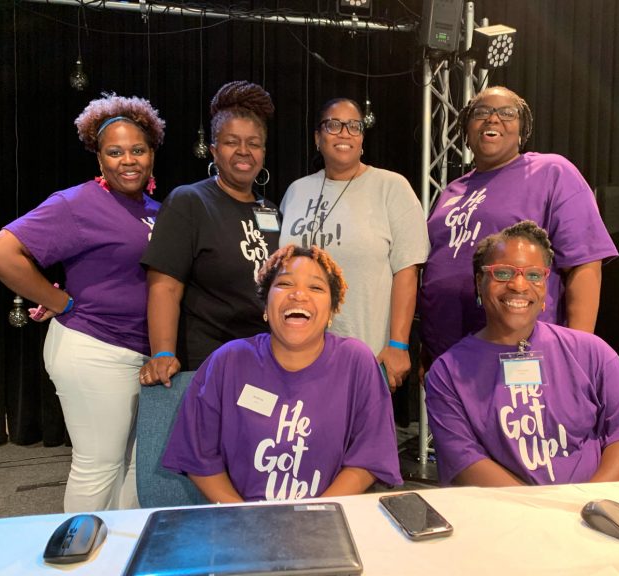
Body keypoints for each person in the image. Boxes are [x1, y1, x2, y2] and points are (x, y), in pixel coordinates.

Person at [0, 94, 166, 511]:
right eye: (114, 152)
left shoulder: (155, 209)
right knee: (99, 464)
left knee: (137, 466)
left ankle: (118, 552)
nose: (128, 160)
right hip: (94, 349)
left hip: (143, 354)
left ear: (152, 152)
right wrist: (60, 301)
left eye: (137, 150)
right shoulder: (76, 202)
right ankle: (79, 560)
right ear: (99, 159)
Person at [425, 221, 619, 487]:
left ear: (546, 286)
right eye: (503, 273)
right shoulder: (447, 373)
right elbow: (465, 462)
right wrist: (545, 513)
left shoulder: (592, 353)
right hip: (506, 520)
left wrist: (587, 505)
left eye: (534, 275)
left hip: (593, 516)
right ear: (480, 282)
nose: (518, 285)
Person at [162, 245, 403, 502]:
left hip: (326, 522)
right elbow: (199, 457)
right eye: (285, 284)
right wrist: (248, 519)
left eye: (316, 287)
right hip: (243, 524)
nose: (299, 294)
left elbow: (369, 455)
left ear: (332, 311)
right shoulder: (228, 361)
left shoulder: (357, 362)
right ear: (265, 304)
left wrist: (314, 517)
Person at [418, 86, 618, 365]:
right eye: (481, 112)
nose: (492, 119)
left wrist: (577, 353)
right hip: (449, 358)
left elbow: (585, 263)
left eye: (506, 113)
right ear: (466, 128)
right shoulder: (452, 191)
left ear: (522, 131)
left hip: (521, 356)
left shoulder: (551, 172)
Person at [279, 98, 429, 391]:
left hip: (366, 355)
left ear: (362, 139)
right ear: (317, 139)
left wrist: (398, 343)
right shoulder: (297, 191)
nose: (344, 132)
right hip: (297, 353)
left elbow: (407, 272)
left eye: (354, 126)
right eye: (333, 125)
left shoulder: (391, 187)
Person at [140, 81, 280, 388]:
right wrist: (162, 352)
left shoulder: (271, 210)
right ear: (215, 150)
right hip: (208, 365)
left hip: (263, 363)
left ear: (264, 152)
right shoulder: (189, 201)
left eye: (254, 144)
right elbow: (164, 287)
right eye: (232, 142)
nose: (244, 152)